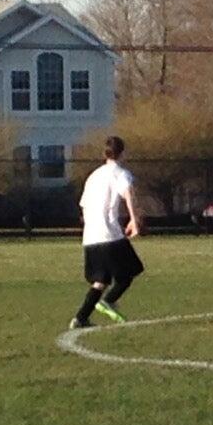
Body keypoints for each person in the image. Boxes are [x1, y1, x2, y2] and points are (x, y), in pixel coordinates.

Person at [69, 136, 143, 330]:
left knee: (100, 280)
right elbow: (128, 193)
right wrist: (134, 220)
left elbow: (83, 205)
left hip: (91, 236)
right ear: (123, 153)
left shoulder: (93, 176)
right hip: (109, 234)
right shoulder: (120, 173)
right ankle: (108, 302)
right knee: (130, 272)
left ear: (105, 153)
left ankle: (80, 318)